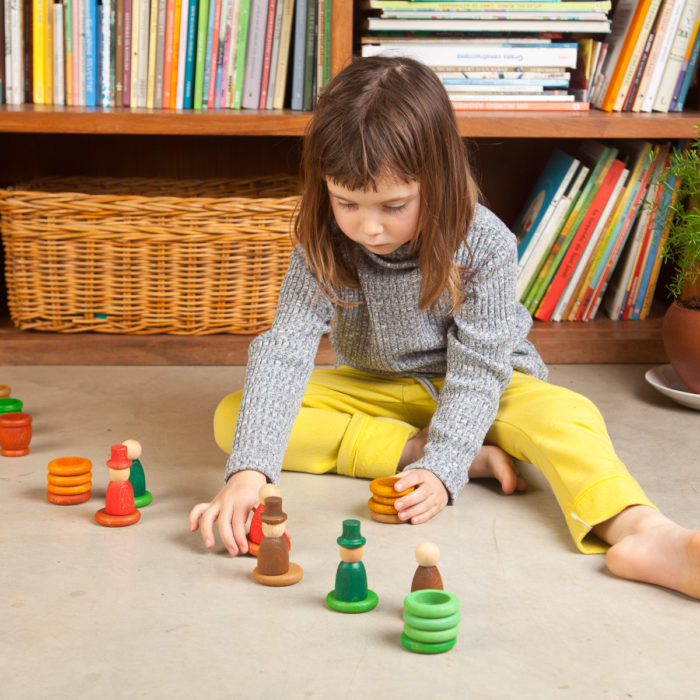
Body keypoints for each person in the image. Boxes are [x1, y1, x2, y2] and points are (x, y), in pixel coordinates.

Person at [189, 56, 700, 599]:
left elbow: (480, 370)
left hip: (488, 388)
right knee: (234, 417)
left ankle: (645, 532)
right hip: (377, 389)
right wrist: (249, 474)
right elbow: (286, 347)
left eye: (393, 205)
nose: (368, 226)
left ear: (435, 179)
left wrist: (444, 469)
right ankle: (412, 449)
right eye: (346, 202)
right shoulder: (322, 240)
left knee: (569, 415)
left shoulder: (486, 244)